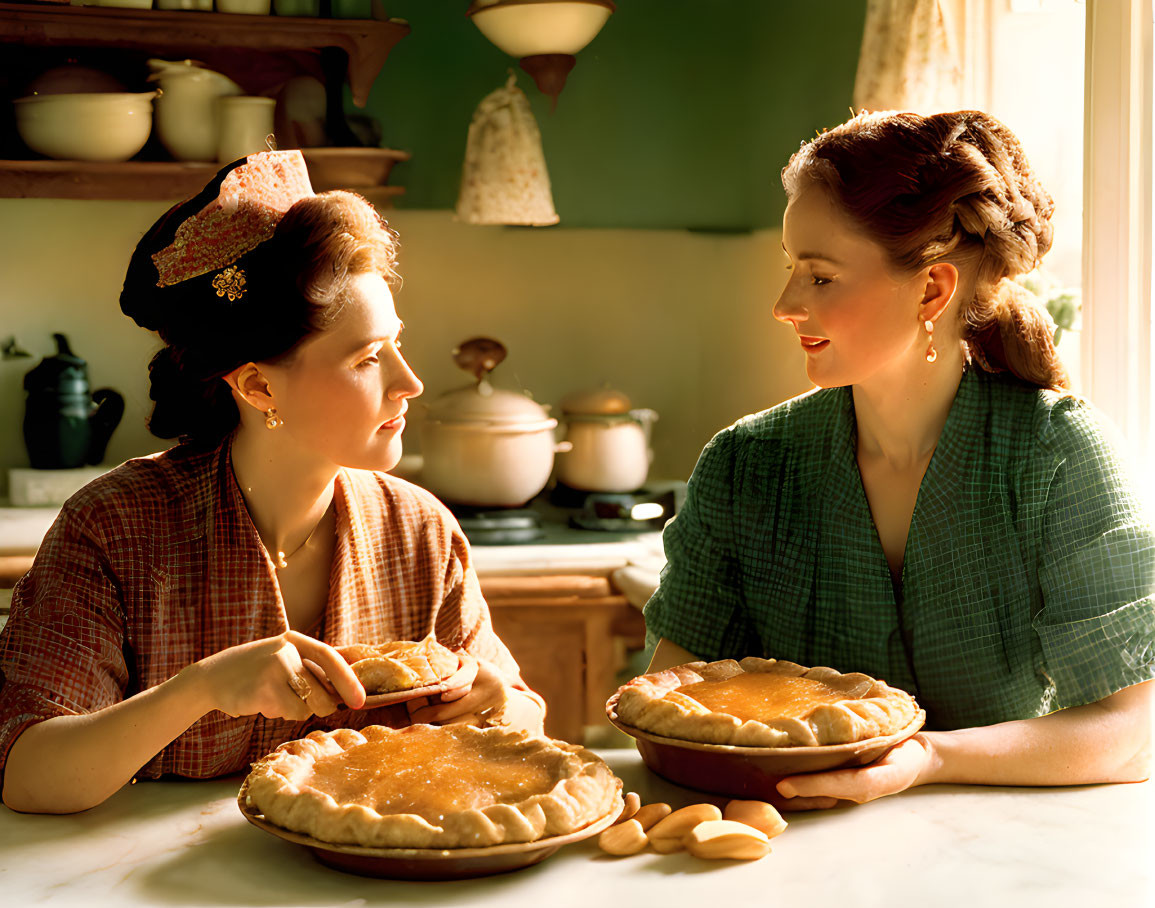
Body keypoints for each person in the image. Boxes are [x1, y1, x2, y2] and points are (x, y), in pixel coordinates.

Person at [0, 151, 545, 815]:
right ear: (257, 386)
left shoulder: (420, 531)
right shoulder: (114, 527)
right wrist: (198, 689)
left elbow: (521, 721)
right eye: (369, 357)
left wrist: (494, 703)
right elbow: (28, 773)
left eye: (397, 344)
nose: (410, 382)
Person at [643, 110, 1154, 810]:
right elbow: (665, 712)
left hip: (1014, 868)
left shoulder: (1058, 456)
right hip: (787, 863)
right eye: (791, 269)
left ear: (931, 290)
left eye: (819, 277)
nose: (783, 304)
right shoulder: (743, 465)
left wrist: (924, 759)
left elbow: (1127, 735)